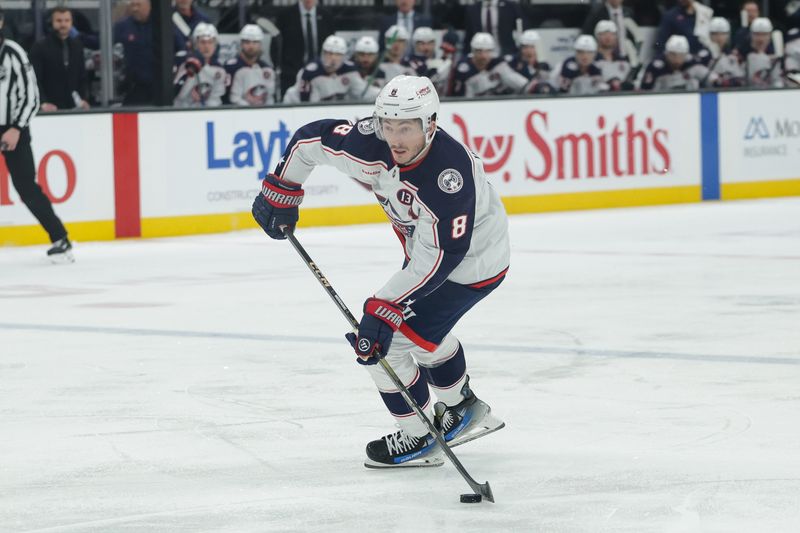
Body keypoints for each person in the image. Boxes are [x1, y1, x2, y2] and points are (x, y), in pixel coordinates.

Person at [251, 75, 509, 467]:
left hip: (472, 263)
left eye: (406, 127)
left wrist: (382, 306)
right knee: (419, 331)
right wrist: (283, 190)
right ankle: (464, 408)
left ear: (430, 125)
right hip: (428, 254)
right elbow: (309, 142)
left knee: (382, 342)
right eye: (388, 126)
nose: (396, 138)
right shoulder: (369, 142)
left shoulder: (447, 178)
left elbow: (442, 256)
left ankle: (420, 435)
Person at [0, 11, 72, 261]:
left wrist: (16, 128)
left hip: (13, 129)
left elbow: (31, 96)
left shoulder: (13, 53)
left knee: (26, 187)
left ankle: (60, 238)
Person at [283, 35, 379, 103]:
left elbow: (363, 93)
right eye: (329, 53)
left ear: (344, 56)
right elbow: (308, 104)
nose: (333, 58)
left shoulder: (350, 70)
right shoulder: (309, 73)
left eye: (338, 54)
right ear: (322, 53)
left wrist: (383, 93)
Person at [29, 7, 90, 112]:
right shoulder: (40, 47)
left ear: (71, 22)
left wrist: (83, 99)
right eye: (59, 20)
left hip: (74, 107)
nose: (63, 24)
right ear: (51, 22)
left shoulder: (77, 46)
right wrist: (42, 103)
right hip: (48, 108)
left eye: (67, 20)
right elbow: (34, 79)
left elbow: (82, 76)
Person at [272, 0, 335, 96]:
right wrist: (283, 69)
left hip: (320, 74)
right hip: (291, 75)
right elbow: (275, 47)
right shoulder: (285, 15)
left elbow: (332, 45)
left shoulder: (326, 15)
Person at [449, 33, 532, 97]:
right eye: (479, 51)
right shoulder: (464, 69)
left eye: (487, 51)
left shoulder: (498, 64)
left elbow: (522, 85)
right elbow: (462, 100)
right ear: (473, 51)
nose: (483, 56)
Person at [173, 23, 226, 107]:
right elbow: (176, 94)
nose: (206, 46)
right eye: (202, 42)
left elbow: (216, 99)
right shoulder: (183, 60)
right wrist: (190, 72)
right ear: (195, 43)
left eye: (210, 42)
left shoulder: (219, 69)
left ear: (215, 45)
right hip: (181, 111)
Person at [113, 0, 154, 106]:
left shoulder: (162, 25)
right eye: (132, 5)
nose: (135, 9)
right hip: (134, 88)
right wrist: (77, 36)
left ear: (149, 6)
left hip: (159, 88)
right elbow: (102, 41)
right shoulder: (122, 26)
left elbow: (181, 47)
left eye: (138, 5)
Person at [225, 24, 277, 106]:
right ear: (241, 44)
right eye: (247, 42)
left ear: (260, 44)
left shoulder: (266, 68)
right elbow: (227, 97)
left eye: (255, 42)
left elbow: (270, 97)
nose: (251, 46)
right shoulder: (230, 67)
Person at [640, 35, 712, 91]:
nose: (677, 60)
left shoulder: (693, 62)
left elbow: (710, 78)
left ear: (686, 54)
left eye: (681, 55)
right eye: (673, 55)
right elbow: (645, 89)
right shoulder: (656, 66)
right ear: (667, 53)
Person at [463, 0, 529, 56]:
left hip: (506, 53)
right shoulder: (473, 9)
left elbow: (523, 28)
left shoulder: (510, 6)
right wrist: (466, 56)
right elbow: (468, 36)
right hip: (481, 55)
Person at [738, 17, 783, 88]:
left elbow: (779, 81)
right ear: (751, 35)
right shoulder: (741, 55)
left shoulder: (777, 56)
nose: (761, 39)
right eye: (757, 34)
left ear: (770, 35)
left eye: (764, 34)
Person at [593, 20, 632, 91]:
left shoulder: (623, 59)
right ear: (597, 36)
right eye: (604, 33)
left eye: (612, 34)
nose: (608, 37)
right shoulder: (592, 59)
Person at [707, 17, 745, 87]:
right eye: (715, 34)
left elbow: (740, 79)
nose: (719, 37)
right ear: (710, 35)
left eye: (723, 34)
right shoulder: (704, 55)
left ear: (728, 35)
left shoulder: (734, 56)